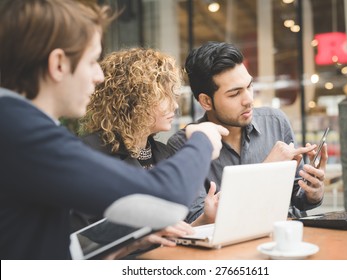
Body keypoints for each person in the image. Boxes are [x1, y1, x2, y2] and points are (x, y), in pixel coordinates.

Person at [0, 0, 228, 260]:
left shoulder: (17, 127)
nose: (98, 76)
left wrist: (126, 244)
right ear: (59, 64)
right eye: (92, 61)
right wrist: (201, 140)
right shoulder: (22, 134)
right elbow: (165, 201)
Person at [72, 48, 219, 255]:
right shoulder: (89, 153)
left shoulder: (163, 151)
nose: (175, 105)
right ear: (135, 99)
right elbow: (81, 244)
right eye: (165, 95)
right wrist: (134, 238)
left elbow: (169, 236)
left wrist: (206, 217)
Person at [167, 41, 328, 223]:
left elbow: (297, 197)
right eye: (235, 94)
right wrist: (264, 171)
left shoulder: (275, 122)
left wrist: (313, 193)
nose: (249, 99)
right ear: (206, 101)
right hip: (228, 248)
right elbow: (198, 220)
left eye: (249, 86)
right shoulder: (183, 144)